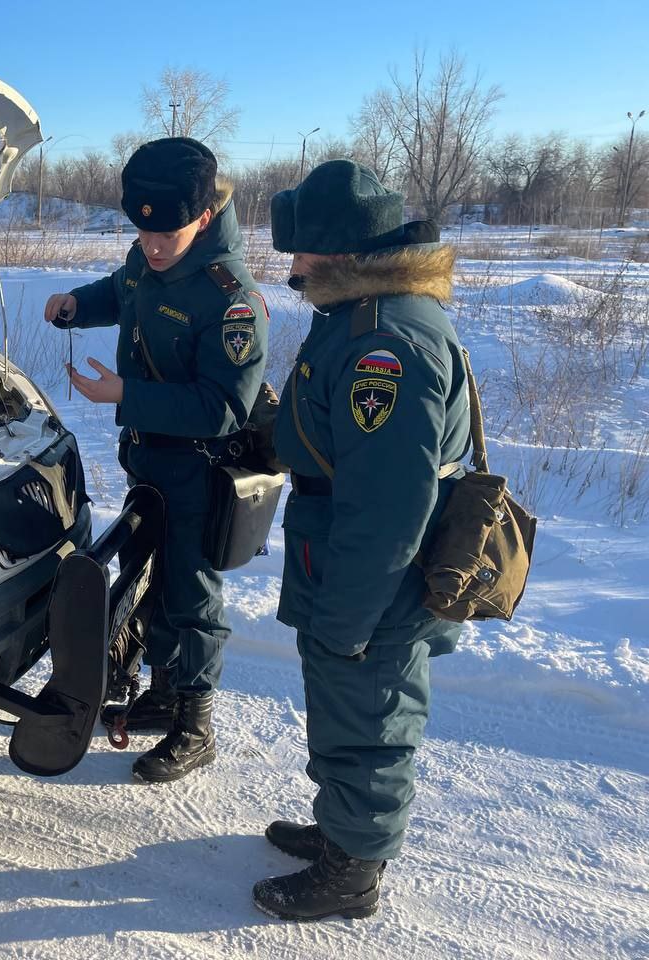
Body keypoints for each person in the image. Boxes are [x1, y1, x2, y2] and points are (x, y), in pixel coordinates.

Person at [252, 159, 472, 921]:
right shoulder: (359, 314)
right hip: (344, 557)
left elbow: (387, 506)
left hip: (371, 573)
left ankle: (353, 874)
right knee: (348, 706)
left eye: (303, 250)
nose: (293, 264)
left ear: (342, 254)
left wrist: (348, 614)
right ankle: (345, 829)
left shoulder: (385, 344)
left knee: (372, 712)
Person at [44, 137, 268, 783]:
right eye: (142, 233)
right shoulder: (148, 256)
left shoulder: (231, 298)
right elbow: (123, 291)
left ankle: (196, 727)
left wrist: (126, 394)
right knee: (154, 582)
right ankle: (165, 695)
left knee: (192, 595)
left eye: (166, 233)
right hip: (149, 461)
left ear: (203, 217)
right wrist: (76, 308)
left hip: (199, 468)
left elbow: (223, 407)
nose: (153, 245)